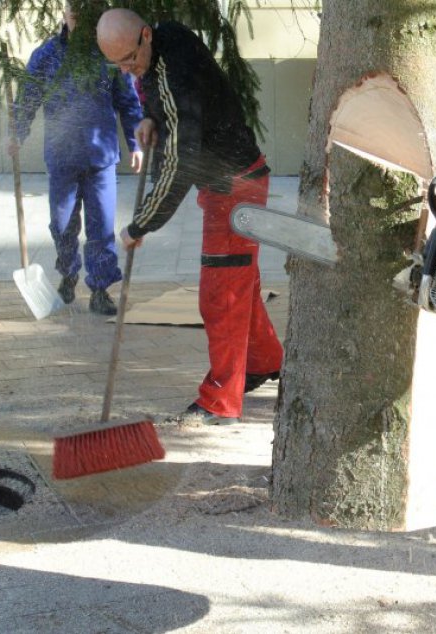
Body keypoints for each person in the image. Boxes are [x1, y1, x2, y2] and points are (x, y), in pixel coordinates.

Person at [96, 8, 283, 425]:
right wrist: (150, 117)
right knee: (240, 285)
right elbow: (163, 95)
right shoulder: (167, 38)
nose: (128, 70)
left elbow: (181, 163)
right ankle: (265, 361)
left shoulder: (172, 74)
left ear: (145, 34)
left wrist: (140, 223)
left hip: (234, 188)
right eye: (120, 65)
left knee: (221, 295)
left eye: (130, 59)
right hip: (233, 180)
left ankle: (221, 400)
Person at [9, 0, 143, 316]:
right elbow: (27, 100)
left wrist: (136, 144)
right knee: (61, 223)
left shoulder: (108, 55)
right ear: (65, 14)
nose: (78, 17)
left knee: (101, 228)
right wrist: (16, 134)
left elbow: (129, 102)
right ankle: (68, 272)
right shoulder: (46, 56)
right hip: (62, 158)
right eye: (73, 11)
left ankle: (100, 289)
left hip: (101, 158)